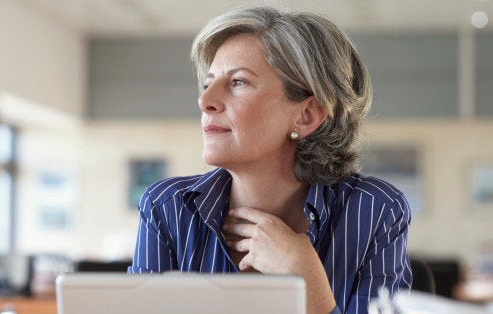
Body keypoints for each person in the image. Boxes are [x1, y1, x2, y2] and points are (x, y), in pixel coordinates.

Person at [127, 5, 412, 314]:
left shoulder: (376, 210)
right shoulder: (166, 208)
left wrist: (308, 281)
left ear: (306, 115)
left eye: (238, 82)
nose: (205, 100)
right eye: (209, 83)